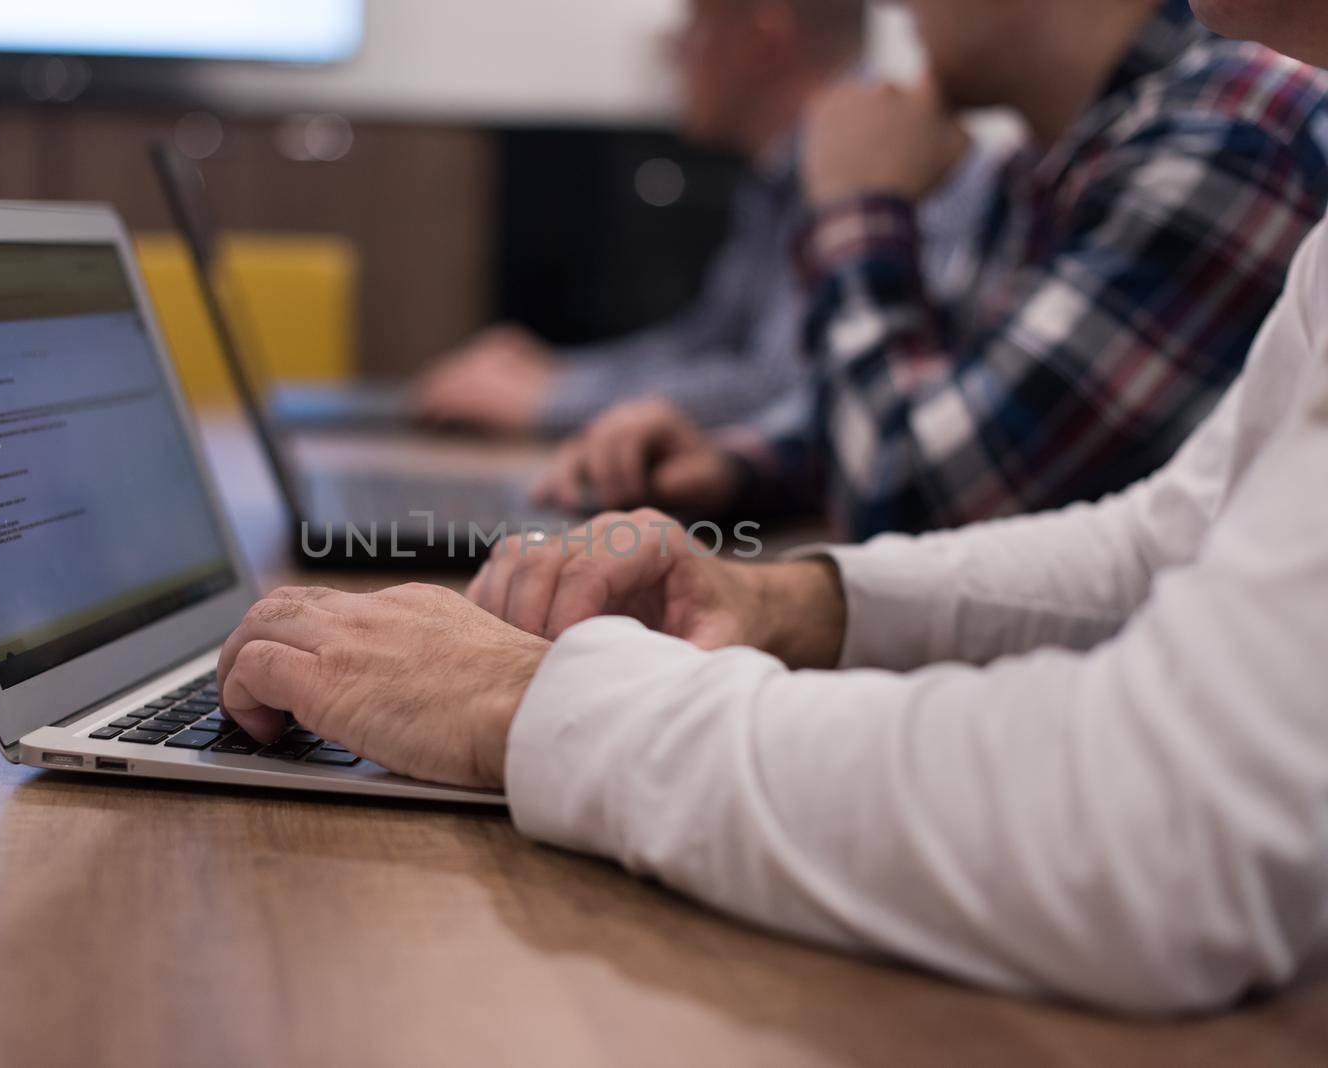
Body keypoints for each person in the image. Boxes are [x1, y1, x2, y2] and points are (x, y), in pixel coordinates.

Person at [215, 0, 1328, 1015]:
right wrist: (787, 597)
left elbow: (1152, 836)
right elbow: (1165, 532)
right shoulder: (1082, 157)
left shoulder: (1237, 124)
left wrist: (520, 702)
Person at [535, 0, 1328, 542]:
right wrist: (738, 466)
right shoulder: (1061, 149)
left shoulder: (1230, 129)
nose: (895, 8)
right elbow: (948, 405)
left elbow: (919, 502)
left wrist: (856, 206)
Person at [413, 0, 998, 436]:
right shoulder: (785, 164)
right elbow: (707, 342)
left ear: (761, 36)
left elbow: (790, 389)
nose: (675, 49)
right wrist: (556, 374)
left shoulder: (877, 151)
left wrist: (548, 404)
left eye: (693, 23)